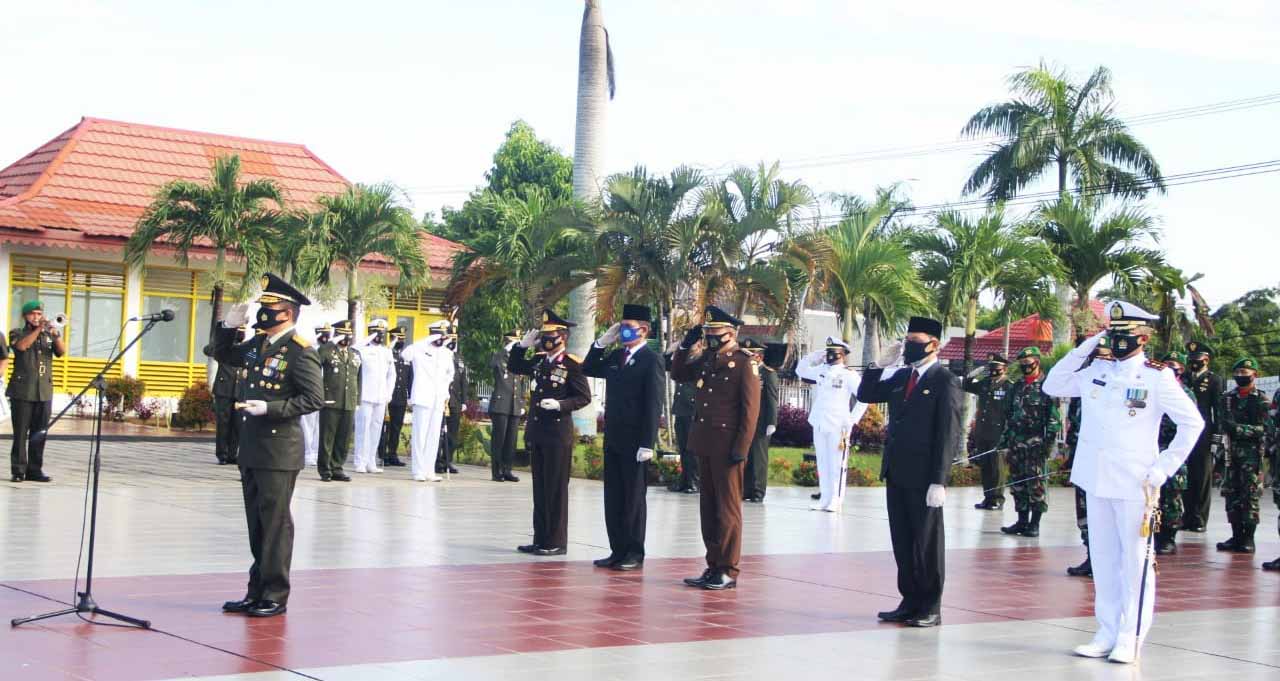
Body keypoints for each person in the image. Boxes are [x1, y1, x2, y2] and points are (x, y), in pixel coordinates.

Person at [1043, 301, 1203, 664]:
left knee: (1135, 563)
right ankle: (1107, 631)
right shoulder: (1096, 370)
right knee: (1102, 560)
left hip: (1135, 482)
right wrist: (1087, 345)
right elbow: (1053, 385)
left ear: (1143, 337)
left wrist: (1163, 467)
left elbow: (1192, 423)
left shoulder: (1156, 376)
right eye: (1112, 333)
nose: (1116, 341)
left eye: (1124, 334)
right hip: (1095, 478)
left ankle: (1130, 636)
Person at [214, 273, 324, 618]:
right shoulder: (259, 344)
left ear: (287, 313)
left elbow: (314, 398)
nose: (262, 312)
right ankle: (256, 591)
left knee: (275, 526)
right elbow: (222, 354)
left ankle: (275, 594)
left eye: (269, 307)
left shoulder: (300, 352)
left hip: (279, 451)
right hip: (251, 447)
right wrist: (228, 326)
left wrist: (271, 408)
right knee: (257, 525)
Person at [857, 316, 962, 628]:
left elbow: (948, 433)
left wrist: (939, 481)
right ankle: (909, 600)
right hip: (897, 470)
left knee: (926, 543)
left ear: (934, 345)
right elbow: (866, 394)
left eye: (916, 342)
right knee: (902, 541)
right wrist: (877, 365)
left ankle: (930, 606)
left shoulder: (944, 380)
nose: (909, 347)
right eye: (907, 341)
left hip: (925, 476)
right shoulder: (904, 376)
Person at [671, 306, 762, 590]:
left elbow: (750, 411)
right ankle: (713, 565)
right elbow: (678, 374)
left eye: (715, 332)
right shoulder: (708, 359)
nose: (710, 336)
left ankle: (728, 569)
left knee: (728, 510)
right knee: (709, 509)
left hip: (728, 446)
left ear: (731, 333)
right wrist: (685, 346)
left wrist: (742, 447)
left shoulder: (744, 363)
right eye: (707, 331)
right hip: (705, 442)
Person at [583, 304, 665, 570]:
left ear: (644, 330)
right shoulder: (617, 355)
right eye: (622, 327)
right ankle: (617, 550)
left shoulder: (651, 359)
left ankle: (634, 552)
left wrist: (647, 443)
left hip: (635, 441)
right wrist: (601, 343)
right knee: (614, 497)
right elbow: (588, 367)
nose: (623, 331)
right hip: (614, 437)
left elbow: (653, 403)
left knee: (633, 499)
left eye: (628, 327)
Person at [508, 309, 592, 556]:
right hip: (538, 432)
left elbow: (583, 397)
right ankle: (540, 538)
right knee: (540, 489)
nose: (546, 340)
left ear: (562, 337)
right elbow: (515, 366)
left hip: (557, 434)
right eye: (544, 336)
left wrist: (561, 405)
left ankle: (556, 541)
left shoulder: (571, 365)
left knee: (555, 490)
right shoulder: (539, 360)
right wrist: (521, 347)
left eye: (551, 336)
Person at [797, 337, 867, 513]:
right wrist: (813, 356)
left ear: (842, 354)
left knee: (837, 464)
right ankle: (825, 499)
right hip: (820, 422)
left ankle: (836, 500)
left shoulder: (849, 375)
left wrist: (852, 420)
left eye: (833, 352)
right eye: (828, 352)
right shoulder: (821, 370)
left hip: (839, 425)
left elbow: (864, 398)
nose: (829, 356)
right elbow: (800, 371)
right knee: (822, 462)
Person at [998, 347, 1061, 538]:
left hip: (1036, 445)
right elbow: (1008, 415)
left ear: (1037, 362)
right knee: (1017, 484)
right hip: (1016, 444)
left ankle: (1035, 524)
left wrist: (1047, 446)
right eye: (1022, 364)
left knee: (1036, 484)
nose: (1025, 366)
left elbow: (1054, 420)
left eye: (1028, 363)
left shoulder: (1047, 387)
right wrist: (1005, 442)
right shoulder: (1017, 386)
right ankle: (1022, 521)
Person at [1065, 335, 1113, 578]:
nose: (1098, 362)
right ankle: (1091, 557)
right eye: (1094, 357)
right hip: (1084, 461)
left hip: (1108, 464)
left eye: (1103, 357)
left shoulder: (1118, 387)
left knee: (1107, 518)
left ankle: (1107, 562)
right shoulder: (1084, 384)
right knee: (1085, 514)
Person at [8, 300, 66, 483]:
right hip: (23, 391)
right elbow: (21, 346)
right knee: (20, 433)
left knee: (40, 433)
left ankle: (34, 470)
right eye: (33, 314)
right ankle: (18, 470)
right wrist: (39, 329)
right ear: (25, 316)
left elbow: (61, 352)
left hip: (44, 391)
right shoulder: (17, 332)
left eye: (39, 314)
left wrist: (56, 335)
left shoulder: (48, 334)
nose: (36, 317)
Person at [1216, 356, 1269, 555]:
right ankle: (1236, 535)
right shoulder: (1227, 398)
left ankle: (1248, 538)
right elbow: (1222, 424)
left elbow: (1265, 429)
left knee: (1250, 495)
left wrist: (1239, 429)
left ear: (1255, 375)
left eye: (1244, 373)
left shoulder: (1261, 400)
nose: (1240, 376)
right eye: (1237, 373)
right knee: (1231, 494)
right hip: (1230, 453)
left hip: (1251, 455)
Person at [1154, 352, 1196, 555]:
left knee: (1172, 496)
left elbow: (1188, 424)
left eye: (1173, 364)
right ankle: (1153, 533)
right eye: (1166, 364)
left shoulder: (1185, 393)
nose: (1169, 367)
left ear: (1181, 369)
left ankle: (1168, 537)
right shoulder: (1153, 388)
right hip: (1152, 450)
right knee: (1152, 496)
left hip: (1172, 450)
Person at [1181, 341, 1224, 532]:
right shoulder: (1184, 378)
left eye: (1197, 359)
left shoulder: (1214, 380)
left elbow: (1218, 410)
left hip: (1204, 434)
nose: (1193, 362)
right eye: (1191, 359)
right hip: (1184, 431)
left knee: (1202, 476)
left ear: (1206, 359)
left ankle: (1199, 518)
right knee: (1186, 475)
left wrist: (1217, 437)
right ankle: (1187, 516)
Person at [403, 320, 453, 483]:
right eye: (439, 336)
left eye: (443, 336)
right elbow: (405, 355)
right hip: (422, 397)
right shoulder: (419, 349)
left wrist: (445, 393)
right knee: (420, 435)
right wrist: (425, 341)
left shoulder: (446, 353)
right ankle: (418, 470)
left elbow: (449, 374)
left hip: (438, 399)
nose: (441, 339)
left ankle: (429, 470)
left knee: (433, 436)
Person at [963, 353, 1011, 510]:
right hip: (983, 431)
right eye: (991, 368)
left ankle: (997, 499)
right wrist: (976, 372)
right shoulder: (985, 383)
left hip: (998, 433)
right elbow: (966, 385)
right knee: (985, 466)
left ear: (1004, 369)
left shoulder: (1008, 386)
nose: (993, 371)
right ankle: (988, 497)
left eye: (996, 368)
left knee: (997, 467)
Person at [317, 320, 360, 482]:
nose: (346, 339)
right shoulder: (327, 351)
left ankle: (337, 467)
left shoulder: (355, 354)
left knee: (344, 437)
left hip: (349, 402)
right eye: (343, 335)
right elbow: (317, 359)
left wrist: (357, 399)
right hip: (331, 401)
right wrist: (330, 343)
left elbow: (358, 378)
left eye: (349, 335)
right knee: (327, 438)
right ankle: (325, 469)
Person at [352, 319, 395, 474]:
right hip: (365, 396)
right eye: (377, 333)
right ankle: (360, 461)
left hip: (380, 396)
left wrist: (388, 393)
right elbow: (352, 351)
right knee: (362, 430)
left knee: (376, 429)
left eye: (383, 333)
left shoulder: (386, 352)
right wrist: (366, 340)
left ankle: (371, 461)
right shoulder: (361, 349)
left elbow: (392, 375)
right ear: (370, 333)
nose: (380, 336)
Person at [743, 341, 783, 503]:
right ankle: (747, 490)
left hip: (761, 422)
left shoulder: (767, 374)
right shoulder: (745, 371)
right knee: (746, 456)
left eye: (751, 354)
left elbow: (772, 399)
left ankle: (758, 491)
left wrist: (771, 422)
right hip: (746, 420)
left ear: (759, 356)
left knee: (758, 457)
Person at [204, 327, 247, 465]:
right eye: (238, 331)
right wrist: (224, 339)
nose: (240, 334)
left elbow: (253, 360)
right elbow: (207, 350)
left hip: (240, 391)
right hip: (224, 390)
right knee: (223, 424)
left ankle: (232, 455)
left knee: (237, 424)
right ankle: (222, 454)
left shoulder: (246, 348)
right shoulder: (224, 348)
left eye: (242, 331)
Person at [487, 330, 523, 482]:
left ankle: (507, 470)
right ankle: (497, 472)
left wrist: (521, 402)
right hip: (501, 404)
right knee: (499, 440)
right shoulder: (499, 356)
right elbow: (492, 364)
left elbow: (519, 383)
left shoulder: (517, 359)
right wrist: (506, 349)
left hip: (514, 405)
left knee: (511, 441)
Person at [666, 349, 700, 494]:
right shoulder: (683, 359)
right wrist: (670, 351)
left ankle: (694, 481)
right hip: (681, 409)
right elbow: (666, 364)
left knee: (693, 449)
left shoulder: (700, 359)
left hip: (693, 410)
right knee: (683, 448)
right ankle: (685, 480)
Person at [377, 326, 411, 468]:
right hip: (388, 397)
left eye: (403, 339)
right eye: (398, 339)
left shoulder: (405, 357)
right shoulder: (386, 354)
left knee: (397, 427)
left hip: (400, 397)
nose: (401, 341)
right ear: (392, 339)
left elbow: (409, 377)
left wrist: (409, 395)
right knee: (385, 426)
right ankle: (382, 453)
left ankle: (392, 453)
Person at [301, 324, 331, 468]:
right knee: (308, 424)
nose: (325, 337)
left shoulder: (329, 350)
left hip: (325, 392)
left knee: (319, 425)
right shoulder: (310, 348)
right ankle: (307, 453)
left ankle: (316, 452)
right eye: (323, 334)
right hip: (311, 391)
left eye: (327, 334)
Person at [439, 325, 466, 475]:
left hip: (455, 401)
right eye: (450, 338)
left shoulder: (458, 358)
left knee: (452, 434)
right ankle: (437, 461)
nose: (452, 341)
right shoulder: (439, 355)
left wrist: (464, 401)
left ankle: (447, 460)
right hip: (441, 399)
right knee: (438, 432)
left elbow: (463, 381)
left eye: (455, 339)